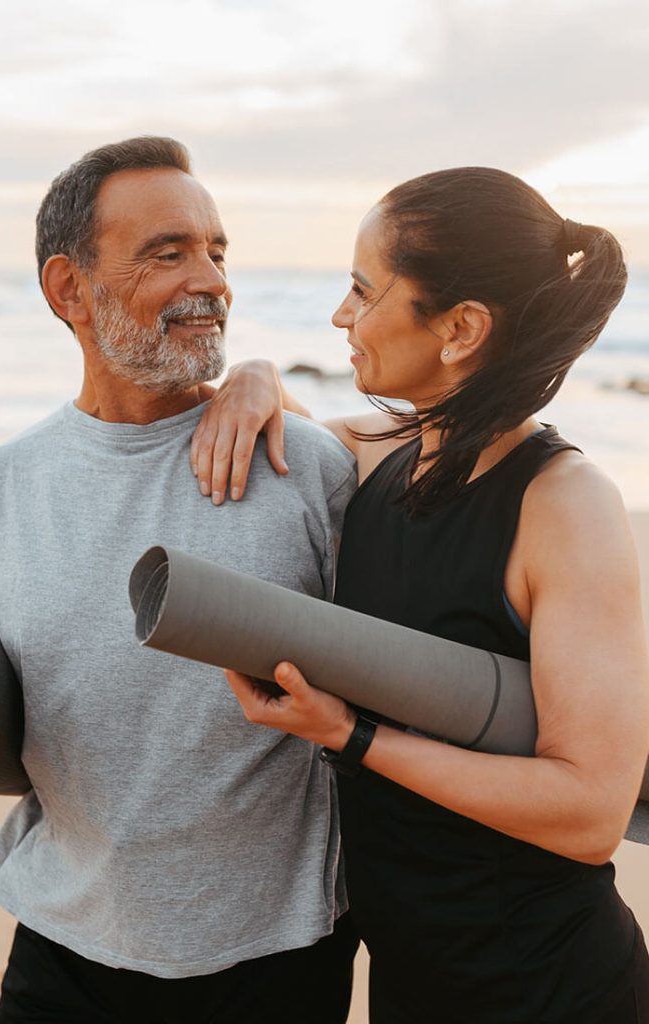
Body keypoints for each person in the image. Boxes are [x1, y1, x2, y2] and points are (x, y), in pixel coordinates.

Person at [0, 137, 359, 1023]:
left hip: (274, 956)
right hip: (63, 946)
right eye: (167, 252)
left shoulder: (305, 467)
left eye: (218, 251)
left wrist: (267, 382)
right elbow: (5, 724)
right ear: (69, 289)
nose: (211, 280)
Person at [191, 167, 649, 1022]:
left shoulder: (563, 503)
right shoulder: (388, 453)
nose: (341, 316)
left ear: (462, 328)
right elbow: (293, 426)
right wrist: (251, 371)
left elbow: (592, 809)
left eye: (363, 291)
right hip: (409, 982)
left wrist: (351, 735)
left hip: (544, 987)